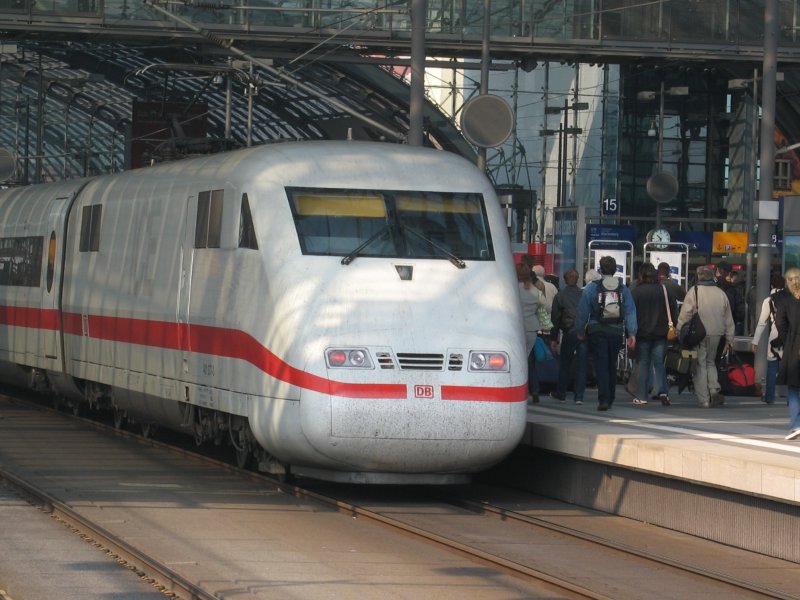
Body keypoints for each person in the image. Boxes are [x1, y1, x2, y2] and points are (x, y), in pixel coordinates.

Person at [574, 255, 637, 411]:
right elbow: (630, 311)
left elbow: (582, 311)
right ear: (615, 270)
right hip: (616, 330)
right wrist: (632, 333)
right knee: (611, 363)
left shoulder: (592, 287)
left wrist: (580, 329)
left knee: (601, 364)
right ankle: (611, 396)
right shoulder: (623, 289)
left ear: (600, 270)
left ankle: (603, 398)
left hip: (597, 329)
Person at [676, 265, 734, 408]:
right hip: (717, 333)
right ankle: (714, 389)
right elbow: (728, 318)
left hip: (699, 333)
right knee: (711, 362)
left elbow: (685, 314)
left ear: (699, 276)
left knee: (700, 364)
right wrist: (730, 338)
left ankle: (704, 399)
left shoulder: (694, 291)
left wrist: (679, 331)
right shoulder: (721, 293)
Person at [631, 262, 675, 406]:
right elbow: (673, 309)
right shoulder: (663, 289)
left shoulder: (636, 292)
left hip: (642, 334)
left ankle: (642, 396)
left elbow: (631, 314)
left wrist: (630, 333)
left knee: (644, 363)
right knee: (659, 363)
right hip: (661, 333)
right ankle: (663, 392)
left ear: (641, 275)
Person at [549, 268, 587, 405]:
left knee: (565, 363)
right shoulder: (584, 294)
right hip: (583, 332)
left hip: (569, 332)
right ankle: (579, 396)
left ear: (565, 280)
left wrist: (554, 338)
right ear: (577, 279)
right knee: (582, 365)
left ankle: (561, 393)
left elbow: (555, 318)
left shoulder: (560, 296)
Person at [751, 274, 786, 404]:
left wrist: (755, 341)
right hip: (789, 337)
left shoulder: (768, 301)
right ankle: (791, 398)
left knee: (772, 367)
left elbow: (762, 323)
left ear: (771, 285)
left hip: (774, 337)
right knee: (791, 368)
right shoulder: (791, 299)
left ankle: (770, 397)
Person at [774, 268, 800, 440]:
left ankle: (796, 424)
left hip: (794, 345)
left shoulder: (785, 300)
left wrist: (785, 341)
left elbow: (780, 324)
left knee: (793, 387)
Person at [516, 263, 545, 404]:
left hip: (516, 328)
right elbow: (547, 308)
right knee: (528, 360)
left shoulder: (512, 289)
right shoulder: (535, 291)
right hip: (532, 329)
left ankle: (519, 391)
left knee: (517, 361)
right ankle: (533, 391)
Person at [715, 261, 745, 335]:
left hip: (713, 325)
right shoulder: (733, 290)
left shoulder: (712, 287)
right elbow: (739, 310)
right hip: (729, 325)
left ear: (719, 271)